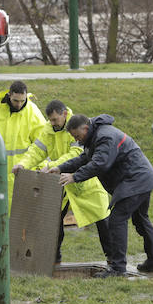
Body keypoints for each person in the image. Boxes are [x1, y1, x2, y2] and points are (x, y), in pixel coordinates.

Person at [49, 114, 153, 277]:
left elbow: (99, 164)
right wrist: (61, 168)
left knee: (117, 219)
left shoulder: (105, 137)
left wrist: (74, 177)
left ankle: (117, 268)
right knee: (140, 219)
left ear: (86, 129)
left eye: (78, 136)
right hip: (141, 179)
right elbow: (84, 159)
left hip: (135, 180)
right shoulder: (95, 136)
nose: (78, 141)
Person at [12, 100, 110, 263]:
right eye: (50, 120)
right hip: (60, 183)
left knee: (102, 219)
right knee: (54, 222)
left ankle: (113, 258)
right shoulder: (48, 129)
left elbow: (76, 154)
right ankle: (53, 258)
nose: (52, 123)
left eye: (55, 119)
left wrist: (51, 165)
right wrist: (23, 164)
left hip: (83, 182)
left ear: (64, 114)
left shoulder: (76, 127)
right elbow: (36, 151)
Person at [0, 81, 47, 257]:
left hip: (19, 173)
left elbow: (42, 142)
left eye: (22, 101)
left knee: (17, 213)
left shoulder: (33, 112)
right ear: (9, 95)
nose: (19, 104)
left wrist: (40, 167)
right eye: (15, 100)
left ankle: (12, 249)